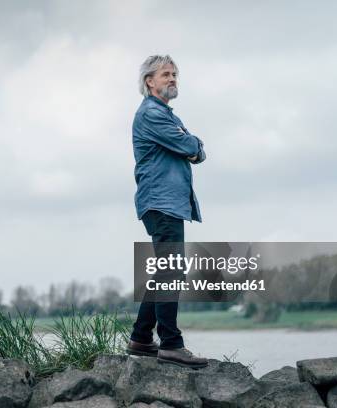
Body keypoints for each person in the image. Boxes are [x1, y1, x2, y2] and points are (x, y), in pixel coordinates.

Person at [126, 55, 208, 368]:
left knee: (166, 268)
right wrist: (195, 144)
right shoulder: (152, 113)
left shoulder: (164, 114)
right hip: (161, 201)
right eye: (165, 74)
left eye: (174, 74)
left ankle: (141, 337)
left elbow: (191, 148)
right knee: (172, 269)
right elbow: (191, 148)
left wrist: (193, 145)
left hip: (168, 201)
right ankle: (171, 343)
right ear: (149, 81)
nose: (172, 79)